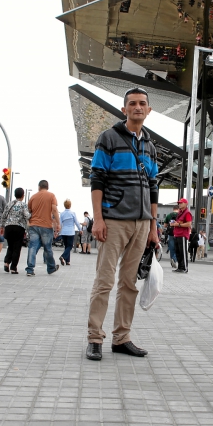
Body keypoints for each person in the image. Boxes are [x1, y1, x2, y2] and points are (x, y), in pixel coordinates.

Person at [85, 87, 159, 361]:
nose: (138, 107)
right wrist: (98, 219)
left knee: (129, 283)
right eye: (132, 104)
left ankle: (121, 337)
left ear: (149, 110)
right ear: (124, 109)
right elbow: (97, 179)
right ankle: (95, 338)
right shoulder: (109, 138)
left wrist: (153, 227)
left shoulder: (150, 146)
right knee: (104, 281)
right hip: (113, 222)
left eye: (142, 104)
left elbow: (153, 186)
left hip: (141, 224)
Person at [25, 180, 61, 276]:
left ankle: (30, 269)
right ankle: (51, 268)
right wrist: (58, 223)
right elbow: (54, 210)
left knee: (32, 246)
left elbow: (29, 211)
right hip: (46, 225)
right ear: (47, 187)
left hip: (34, 225)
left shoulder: (33, 197)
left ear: (39, 187)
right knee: (47, 248)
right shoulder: (51, 196)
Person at [0, 187, 31, 274]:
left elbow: (4, 216)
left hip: (8, 227)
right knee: (17, 248)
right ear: (23, 195)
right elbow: (27, 216)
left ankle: (6, 263)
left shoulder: (9, 204)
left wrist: (2, 227)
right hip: (18, 228)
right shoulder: (23, 205)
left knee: (10, 246)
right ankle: (13, 267)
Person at [170, 198, 192, 274]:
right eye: (179, 203)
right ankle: (180, 267)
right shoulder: (180, 212)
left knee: (183, 252)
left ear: (186, 204)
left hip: (182, 235)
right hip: (177, 234)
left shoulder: (187, 213)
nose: (179, 204)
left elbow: (189, 224)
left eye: (181, 203)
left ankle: (185, 268)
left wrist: (178, 224)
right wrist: (174, 223)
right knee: (178, 251)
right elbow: (178, 222)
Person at [58, 199, 80, 266]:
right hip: (70, 232)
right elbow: (77, 222)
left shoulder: (62, 214)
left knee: (66, 246)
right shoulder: (73, 213)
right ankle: (63, 257)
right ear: (70, 205)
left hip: (64, 232)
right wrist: (80, 229)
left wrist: (58, 231)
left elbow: (60, 223)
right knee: (70, 246)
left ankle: (68, 261)